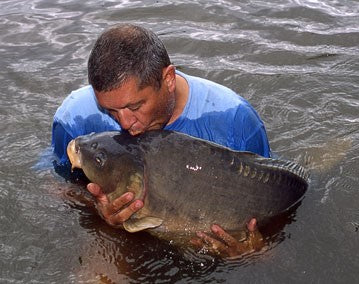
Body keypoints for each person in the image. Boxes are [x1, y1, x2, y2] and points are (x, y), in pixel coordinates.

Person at [52, 24, 270, 257]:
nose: (124, 123)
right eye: (110, 110)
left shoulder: (235, 121)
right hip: (120, 239)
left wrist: (254, 251)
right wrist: (98, 210)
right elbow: (54, 185)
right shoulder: (75, 118)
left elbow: (273, 207)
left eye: (135, 106)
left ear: (168, 79)